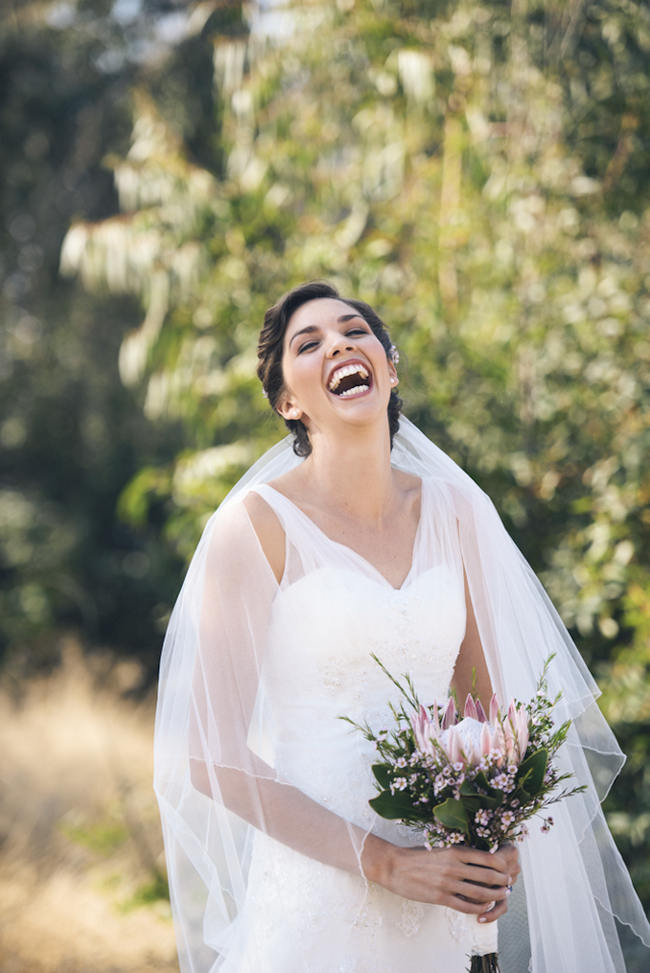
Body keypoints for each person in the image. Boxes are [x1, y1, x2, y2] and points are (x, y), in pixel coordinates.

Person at [154, 282, 650, 973]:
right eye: (310, 342)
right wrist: (385, 862)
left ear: (388, 367)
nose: (338, 344)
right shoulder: (255, 526)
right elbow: (212, 758)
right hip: (316, 898)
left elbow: (488, 717)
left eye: (354, 331)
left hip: (439, 898)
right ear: (288, 403)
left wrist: (492, 831)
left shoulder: (457, 512)